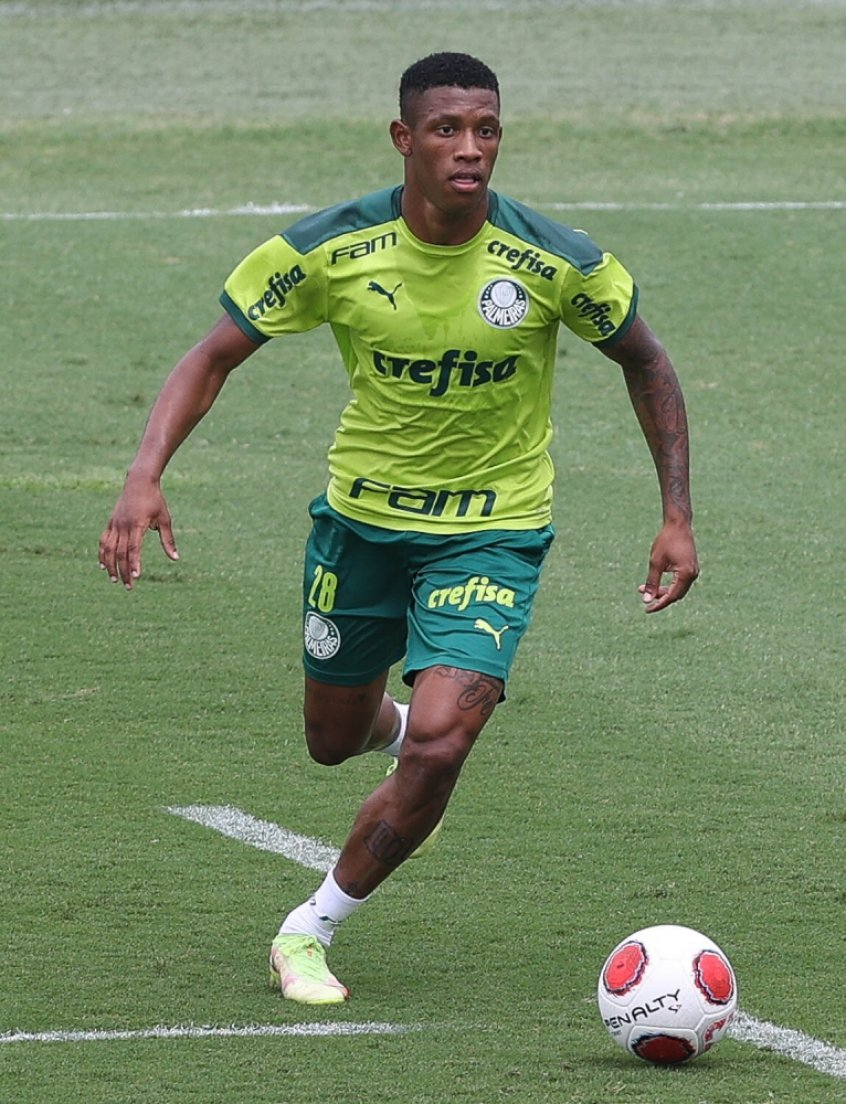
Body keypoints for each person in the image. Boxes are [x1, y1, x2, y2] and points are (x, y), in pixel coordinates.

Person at [99, 52, 699, 1005]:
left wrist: (676, 515)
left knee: (442, 743)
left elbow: (647, 361)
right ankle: (405, 732)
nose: (470, 149)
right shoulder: (329, 248)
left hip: (495, 531)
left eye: (487, 130)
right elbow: (212, 356)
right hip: (361, 527)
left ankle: (310, 928)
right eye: (448, 130)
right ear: (403, 138)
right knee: (332, 739)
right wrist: (143, 475)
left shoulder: (555, 261)